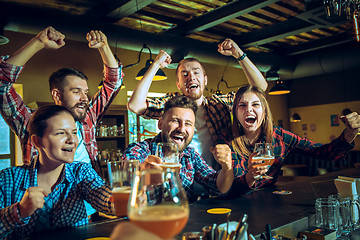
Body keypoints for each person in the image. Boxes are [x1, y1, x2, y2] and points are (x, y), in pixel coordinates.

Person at [127, 39, 267, 171]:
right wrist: (155, 65)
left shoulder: (219, 103)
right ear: (178, 84)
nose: (191, 77)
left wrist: (239, 54)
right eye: (185, 75)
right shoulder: (172, 105)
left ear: (205, 80)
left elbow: (259, 88)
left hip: (215, 178)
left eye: (196, 73)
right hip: (182, 177)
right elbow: (135, 105)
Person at [0, 26, 123, 176]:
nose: (84, 98)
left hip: (90, 196)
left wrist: (104, 47)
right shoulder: (31, 121)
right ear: (57, 95)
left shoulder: (87, 118)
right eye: (76, 91)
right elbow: (2, 84)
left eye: (85, 92)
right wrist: (38, 42)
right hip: (45, 197)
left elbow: (113, 83)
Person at [0, 105, 114, 240]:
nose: (72, 140)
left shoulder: (81, 172)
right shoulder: (8, 179)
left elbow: (102, 194)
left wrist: (120, 200)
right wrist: (19, 211)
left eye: (74, 132)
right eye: (60, 133)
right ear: (37, 141)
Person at [229, 85, 360, 194]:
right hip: (237, 207)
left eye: (255, 104)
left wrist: (350, 133)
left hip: (267, 203)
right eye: (242, 105)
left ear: (264, 112)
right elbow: (230, 189)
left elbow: (325, 153)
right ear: (236, 112)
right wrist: (250, 176)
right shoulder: (228, 141)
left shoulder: (279, 136)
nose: (249, 109)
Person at [122, 95, 234, 202]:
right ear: (160, 123)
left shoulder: (190, 155)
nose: (181, 129)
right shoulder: (139, 149)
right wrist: (141, 176)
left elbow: (217, 186)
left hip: (183, 219)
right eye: (175, 121)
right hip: (148, 219)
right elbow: (125, 182)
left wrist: (226, 167)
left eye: (188, 124)